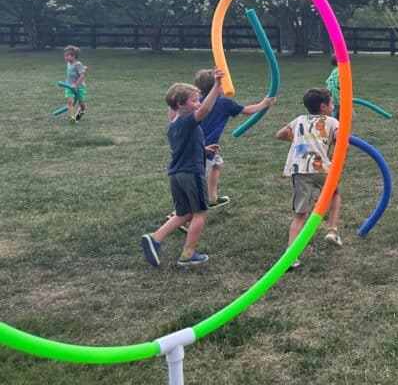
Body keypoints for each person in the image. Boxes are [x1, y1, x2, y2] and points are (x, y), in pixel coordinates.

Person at [140, 69, 225, 268]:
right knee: (200, 212)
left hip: (176, 175)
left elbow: (182, 147)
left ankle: (155, 237)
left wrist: (202, 149)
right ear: (180, 104)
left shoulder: (173, 125)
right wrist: (217, 86)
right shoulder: (188, 121)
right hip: (192, 173)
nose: (198, 104)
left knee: (184, 212)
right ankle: (188, 254)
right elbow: (205, 111)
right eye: (195, 101)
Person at [276, 87, 344, 269]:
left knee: (301, 215)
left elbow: (280, 134)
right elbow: (342, 142)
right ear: (323, 106)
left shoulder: (299, 120)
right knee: (335, 194)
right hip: (321, 168)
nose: (333, 106)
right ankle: (332, 229)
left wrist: (300, 140)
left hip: (299, 169)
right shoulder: (331, 121)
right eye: (331, 103)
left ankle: (291, 255)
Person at [194, 68, 276, 208]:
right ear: (218, 86)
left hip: (198, 147)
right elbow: (247, 111)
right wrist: (264, 104)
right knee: (195, 186)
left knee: (217, 164)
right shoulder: (224, 103)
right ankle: (178, 215)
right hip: (205, 150)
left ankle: (212, 198)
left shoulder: (198, 103)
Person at [62, 45, 87, 123]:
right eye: (65, 56)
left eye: (67, 56)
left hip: (80, 87)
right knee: (70, 102)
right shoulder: (69, 64)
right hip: (69, 86)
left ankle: (82, 111)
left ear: (73, 56)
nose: (65, 57)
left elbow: (82, 75)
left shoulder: (78, 64)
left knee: (81, 103)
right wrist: (70, 84)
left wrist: (75, 85)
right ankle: (72, 117)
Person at [325, 54, 340, 118]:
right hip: (336, 95)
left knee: (335, 109)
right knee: (336, 109)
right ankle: (332, 121)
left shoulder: (335, 70)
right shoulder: (340, 71)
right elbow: (338, 83)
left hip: (330, 93)